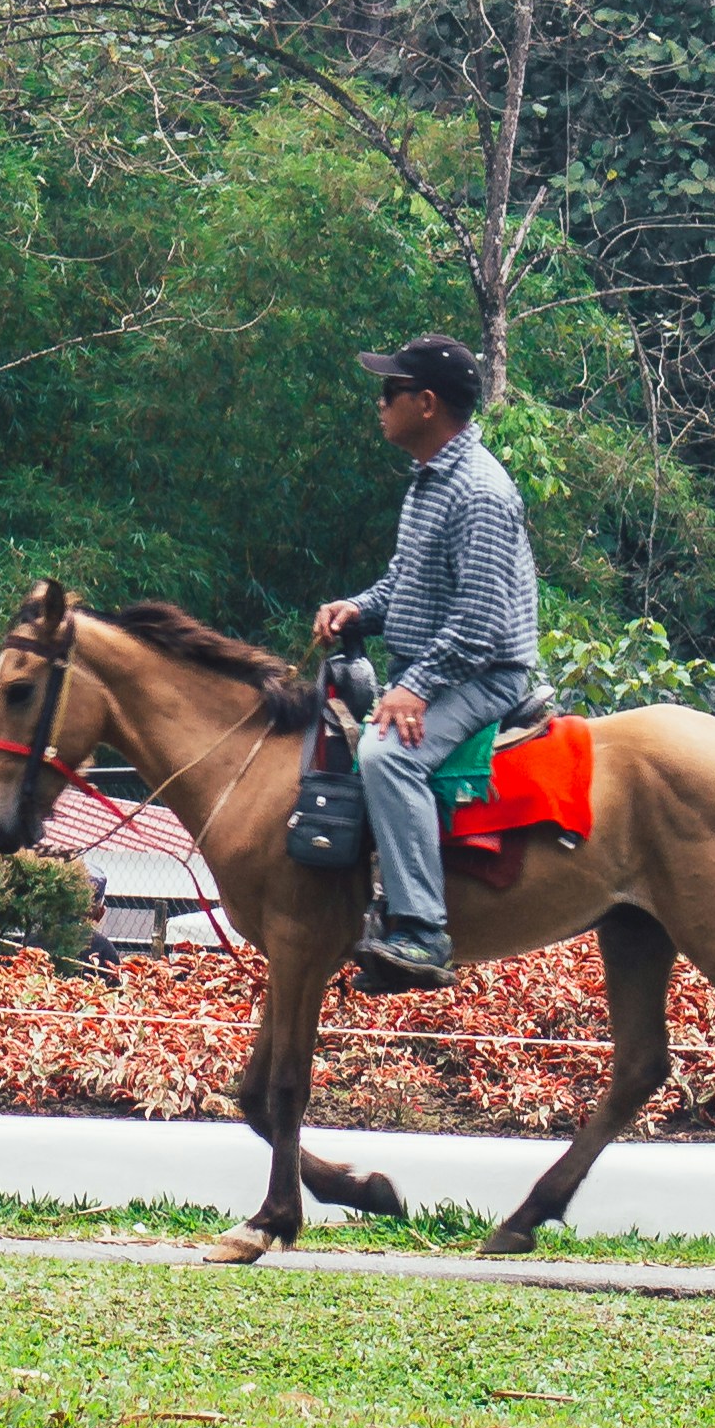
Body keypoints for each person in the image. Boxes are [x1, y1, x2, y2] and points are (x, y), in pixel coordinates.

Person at [311, 334, 539, 988]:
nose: (379, 403)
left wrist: (413, 686)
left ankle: (420, 930)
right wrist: (356, 608)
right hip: (442, 664)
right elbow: (403, 586)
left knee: (387, 752)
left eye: (390, 391)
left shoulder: (481, 492)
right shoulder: (428, 481)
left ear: (427, 403)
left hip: (482, 674)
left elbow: (480, 625)